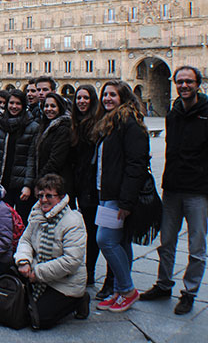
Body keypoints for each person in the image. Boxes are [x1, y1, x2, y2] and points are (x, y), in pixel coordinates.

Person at [140, 66, 208, 315]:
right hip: (172, 190)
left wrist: (206, 184)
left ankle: (189, 292)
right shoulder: (173, 115)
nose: (183, 86)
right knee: (166, 242)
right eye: (179, 81)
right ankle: (163, 284)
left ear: (197, 84)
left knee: (197, 247)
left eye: (188, 82)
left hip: (197, 193)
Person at [92, 80, 149, 313]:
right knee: (121, 241)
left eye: (112, 95)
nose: (107, 98)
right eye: (105, 94)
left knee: (105, 240)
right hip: (106, 192)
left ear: (124, 97)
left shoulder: (129, 123)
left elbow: (136, 164)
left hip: (118, 195)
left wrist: (126, 201)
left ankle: (127, 289)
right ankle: (119, 290)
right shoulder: (112, 123)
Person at [15, 173, 89, 330]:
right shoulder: (37, 214)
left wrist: (37, 273)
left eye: (49, 196)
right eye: (41, 195)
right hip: (37, 271)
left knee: (40, 318)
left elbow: (71, 261)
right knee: (16, 306)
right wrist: (24, 261)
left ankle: (79, 299)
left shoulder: (73, 221)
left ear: (61, 197)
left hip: (65, 281)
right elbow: (25, 240)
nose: (43, 200)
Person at [69, 84, 103, 286]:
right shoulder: (75, 123)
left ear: (92, 101)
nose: (81, 101)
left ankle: (90, 271)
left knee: (93, 230)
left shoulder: (97, 124)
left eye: (86, 98)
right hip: (79, 184)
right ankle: (83, 268)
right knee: (82, 230)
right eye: (79, 98)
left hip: (93, 185)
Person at [0, 89, 39, 222]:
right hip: (3, 181)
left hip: (21, 183)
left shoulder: (32, 127)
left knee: (22, 219)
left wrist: (28, 185)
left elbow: (31, 158)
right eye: (11, 103)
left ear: (23, 106)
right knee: (2, 219)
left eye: (18, 103)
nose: (14, 106)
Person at [35, 93, 73, 200]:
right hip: (49, 182)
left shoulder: (63, 128)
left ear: (59, 108)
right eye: (46, 106)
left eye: (53, 106)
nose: (49, 109)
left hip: (58, 184)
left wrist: (39, 181)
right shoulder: (46, 126)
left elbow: (56, 160)